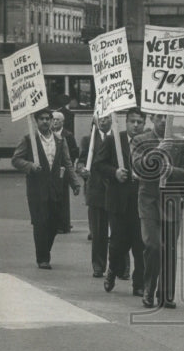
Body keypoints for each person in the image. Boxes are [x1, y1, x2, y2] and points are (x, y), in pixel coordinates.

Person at [132, 113, 184, 308]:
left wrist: (171, 171)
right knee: (153, 245)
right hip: (148, 200)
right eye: (159, 117)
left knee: (169, 249)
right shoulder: (140, 140)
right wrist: (157, 152)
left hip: (171, 201)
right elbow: (137, 166)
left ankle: (166, 294)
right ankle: (148, 288)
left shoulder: (180, 143)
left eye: (167, 117)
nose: (163, 121)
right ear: (151, 118)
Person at [11, 107, 81, 269]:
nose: (45, 121)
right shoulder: (29, 140)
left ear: (51, 121)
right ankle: (43, 258)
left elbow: (67, 162)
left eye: (47, 119)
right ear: (36, 122)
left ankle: (45, 251)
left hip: (56, 188)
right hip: (37, 189)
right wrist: (30, 165)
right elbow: (16, 160)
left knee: (55, 222)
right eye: (41, 119)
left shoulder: (59, 140)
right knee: (40, 223)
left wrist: (74, 183)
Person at [103, 108, 146, 295]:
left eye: (139, 122)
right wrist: (115, 173)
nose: (136, 125)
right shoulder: (114, 140)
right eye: (132, 121)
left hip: (142, 202)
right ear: (126, 122)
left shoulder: (148, 142)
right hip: (119, 202)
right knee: (117, 244)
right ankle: (112, 270)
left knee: (140, 245)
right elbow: (99, 164)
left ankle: (139, 284)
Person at [78, 114, 114, 278]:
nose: (103, 120)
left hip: (114, 190)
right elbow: (81, 161)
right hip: (96, 190)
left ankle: (121, 266)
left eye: (106, 117)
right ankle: (98, 266)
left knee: (118, 231)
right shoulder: (88, 140)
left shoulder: (116, 139)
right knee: (98, 232)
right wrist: (82, 170)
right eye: (100, 118)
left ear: (112, 120)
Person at [52, 110, 79, 233]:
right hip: (52, 171)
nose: (55, 121)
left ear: (63, 122)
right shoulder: (49, 134)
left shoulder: (68, 135)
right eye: (54, 119)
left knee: (63, 197)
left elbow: (73, 153)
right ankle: (55, 223)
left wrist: (68, 167)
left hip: (63, 170)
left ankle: (64, 224)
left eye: (58, 119)